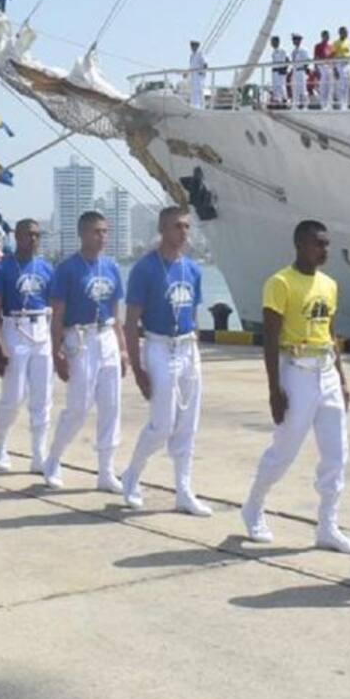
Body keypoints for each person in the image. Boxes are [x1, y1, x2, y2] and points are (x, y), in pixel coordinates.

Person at [241, 220, 350, 554]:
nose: (324, 250)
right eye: (317, 244)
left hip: (325, 371)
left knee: (336, 453)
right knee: (285, 449)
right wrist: (273, 390)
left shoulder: (329, 285)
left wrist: (342, 378)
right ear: (299, 245)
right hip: (295, 370)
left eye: (326, 244)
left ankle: (328, 527)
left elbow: (330, 334)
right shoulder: (280, 283)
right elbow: (269, 339)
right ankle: (254, 505)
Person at [120, 206, 209, 516]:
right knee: (162, 425)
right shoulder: (145, 269)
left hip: (187, 348)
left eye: (186, 226)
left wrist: (194, 352)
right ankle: (131, 475)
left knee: (188, 424)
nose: (182, 232)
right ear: (162, 228)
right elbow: (130, 323)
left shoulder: (193, 270)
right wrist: (137, 367)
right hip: (158, 347)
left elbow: (193, 315)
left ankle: (183, 491)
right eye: (176, 227)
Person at [41, 212, 128, 489]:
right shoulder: (67, 269)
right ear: (82, 234)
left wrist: (123, 349)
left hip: (106, 337)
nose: (101, 237)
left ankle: (106, 470)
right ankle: (53, 458)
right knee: (78, 407)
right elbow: (57, 315)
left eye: (105, 231)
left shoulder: (112, 267)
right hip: (79, 338)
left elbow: (116, 312)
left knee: (111, 405)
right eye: (95, 232)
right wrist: (58, 352)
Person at [0, 218, 56, 473]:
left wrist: (58, 341)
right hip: (14, 327)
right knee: (13, 396)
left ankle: (38, 454)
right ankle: (0, 444)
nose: (35, 239)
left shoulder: (46, 268)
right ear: (17, 236)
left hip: (41, 329)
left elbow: (57, 304)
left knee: (42, 397)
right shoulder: (2, 268)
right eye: (30, 234)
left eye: (38, 235)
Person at [332, 26, 350, 108]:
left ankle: (345, 104)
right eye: (344, 32)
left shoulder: (348, 42)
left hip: (347, 65)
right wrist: (334, 68)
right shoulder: (335, 43)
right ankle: (341, 104)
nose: (346, 33)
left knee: (347, 85)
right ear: (340, 33)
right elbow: (333, 55)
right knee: (341, 85)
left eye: (347, 32)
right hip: (339, 64)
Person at [290, 34, 310, 109]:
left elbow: (307, 62)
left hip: (301, 71)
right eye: (293, 40)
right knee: (294, 88)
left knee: (302, 88)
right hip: (295, 71)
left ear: (299, 40)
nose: (294, 41)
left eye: (296, 39)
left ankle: (305, 105)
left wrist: (303, 69)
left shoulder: (303, 50)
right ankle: (295, 104)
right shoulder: (293, 51)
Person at [314, 30, 333, 108]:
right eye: (325, 35)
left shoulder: (331, 46)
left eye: (328, 35)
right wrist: (316, 69)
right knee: (323, 86)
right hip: (322, 67)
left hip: (330, 67)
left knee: (330, 86)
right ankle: (323, 104)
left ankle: (329, 104)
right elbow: (316, 58)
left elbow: (332, 58)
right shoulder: (318, 46)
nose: (327, 37)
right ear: (322, 36)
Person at [269, 35, 289, 106]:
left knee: (281, 86)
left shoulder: (282, 51)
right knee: (275, 87)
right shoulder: (273, 52)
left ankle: (284, 100)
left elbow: (286, 60)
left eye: (273, 42)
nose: (271, 43)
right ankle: (277, 100)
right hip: (274, 71)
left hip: (280, 71)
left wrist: (283, 69)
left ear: (277, 42)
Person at [187, 40, 207, 109]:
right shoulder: (191, 56)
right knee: (193, 92)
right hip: (193, 76)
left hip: (198, 76)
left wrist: (201, 72)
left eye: (194, 46)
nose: (192, 48)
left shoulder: (200, 54)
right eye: (192, 46)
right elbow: (191, 66)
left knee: (200, 91)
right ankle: (193, 106)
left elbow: (205, 64)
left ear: (197, 47)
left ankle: (202, 107)